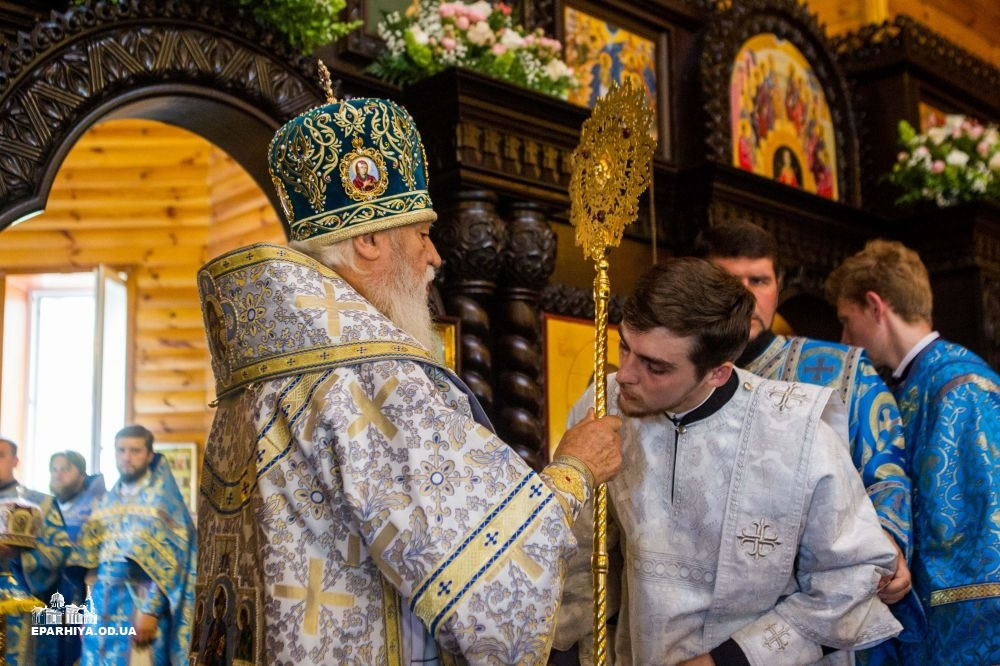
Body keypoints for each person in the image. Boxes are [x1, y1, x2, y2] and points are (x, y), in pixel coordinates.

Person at [196, 92, 623, 665]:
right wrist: (574, 471)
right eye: (422, 233)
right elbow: (476, 576)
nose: (435, 256)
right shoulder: (368, 373)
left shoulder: (265, 370)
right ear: (370, 240)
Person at [553, 258, 902, 664]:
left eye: (655, 366)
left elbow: (851, 577)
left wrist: (726, 661)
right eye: (625, 346)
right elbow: (580, 557)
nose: (625, 375)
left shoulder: (797, 433)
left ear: (717, 373)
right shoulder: (602, 403)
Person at [693, 221, 917, 605]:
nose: (745, 297)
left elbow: (884, 471)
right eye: (728, 281)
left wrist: (887, 540)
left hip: (812, 598)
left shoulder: (840, 369)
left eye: (759, 281)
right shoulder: (676, 375)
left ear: (778, 286)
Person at [826, 239, 1000, 662]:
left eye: (847, 321)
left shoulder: (961, 387)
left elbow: (980, 539)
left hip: (961, 635)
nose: (845, 340)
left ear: (875, 306)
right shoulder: (916, 382)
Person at [78, 425, 196, 666]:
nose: (127, 457)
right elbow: (91, 561)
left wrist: (150, 611)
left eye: (135, 451)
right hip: (100, 609)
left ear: (149, 455)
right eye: (121, 450)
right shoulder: (107, 501)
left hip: (138, 607)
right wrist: (87, 607)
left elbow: (175, 563)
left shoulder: (162, 503)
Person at [0, 437, 72, 666]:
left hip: (20, 602)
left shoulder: (41, 504)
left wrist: (18, 555)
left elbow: (59, 550)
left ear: (15, 461)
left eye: (0, 455)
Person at [49, 450, 106, 666]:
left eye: (65, 469)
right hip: (49, 587)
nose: (58, 475)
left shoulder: (98, 506)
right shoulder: (48, 506)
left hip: (84, 589)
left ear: (81, 475)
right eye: (54, 469)